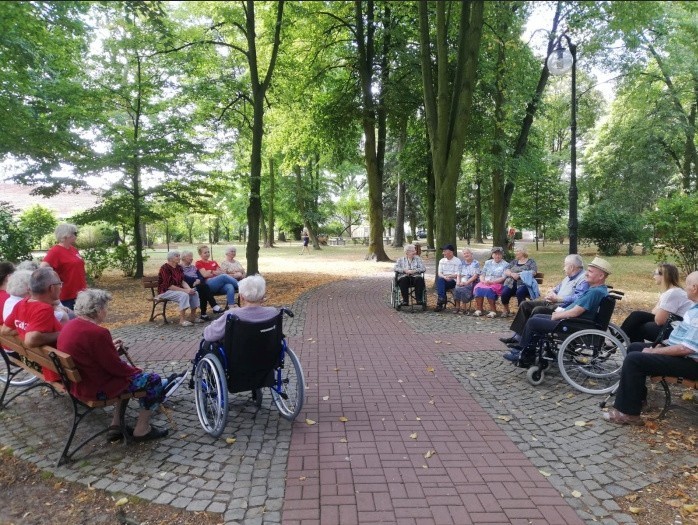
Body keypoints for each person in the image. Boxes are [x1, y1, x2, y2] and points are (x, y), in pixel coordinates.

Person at [57, 289, 183, 442]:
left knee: (130, 380)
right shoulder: (98, 333)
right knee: (152, 380)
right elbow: (115, 367)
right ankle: (142, 429)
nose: (106, 311)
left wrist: (109, 347)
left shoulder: (70, 326)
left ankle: (116, 425)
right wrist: (136, 371)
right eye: (105, 308)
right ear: (97, 310)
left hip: (80, 383)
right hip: (95, 388)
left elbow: (94, 356)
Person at [603, 271, 698, 425]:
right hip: (685, 356)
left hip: (692, 363)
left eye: (687, 284)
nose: (684, 288)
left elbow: (686, 348)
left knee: (635, 359)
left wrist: (654, 351)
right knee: (635, 347)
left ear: (694, 288)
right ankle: (638, 400)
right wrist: (664, 344)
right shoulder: (694, 308)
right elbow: (682, 340)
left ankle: (627, 414)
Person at [502, 257, 612, 367]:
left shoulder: (595, 292)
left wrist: (558, 315)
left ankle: (525, 355)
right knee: (537, 316)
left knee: (533, 322)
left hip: (572, 323)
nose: (586, 274)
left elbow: (575, 312)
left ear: (601, 276)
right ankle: (525, 349)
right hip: (573, 321)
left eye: (590, 272)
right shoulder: (596, 290)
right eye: (588, 270)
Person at [499, 254, 589, 346]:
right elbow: (557, 288)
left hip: (562, 307)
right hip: (553, 302)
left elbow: (579, 298)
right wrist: (552, 293)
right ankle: (517, 337)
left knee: (537, 310)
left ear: (572, 267)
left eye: (565, 265)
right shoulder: (569, 276)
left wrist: (558, 298)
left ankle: (528, 342)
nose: (563, 268)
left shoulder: (583, 279)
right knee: (525, 305)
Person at [1, 268, 65, 381]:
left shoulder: (21, 304)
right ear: (52, 288)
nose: (61, 287)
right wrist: (62, 333)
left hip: (41, 360)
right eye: (59, 284)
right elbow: (31, 340)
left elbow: (5, 330)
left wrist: (25, 328)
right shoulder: (44, 309)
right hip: (57, 369)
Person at [619, 263, 694, 343]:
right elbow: (654, 312)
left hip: (678, 330)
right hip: (677, 325)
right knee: (637, 318)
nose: (653, 276)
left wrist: (658, 310)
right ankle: (632, 349)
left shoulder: (672, 293)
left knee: (636, 319)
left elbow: (659, 320)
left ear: (663, 276)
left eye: (655, 273)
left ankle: (615, 341)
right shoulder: (673, 292)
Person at [203, 275, 279, 343]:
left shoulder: (232, 315)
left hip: (238, 356)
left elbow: (209, 335)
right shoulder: (273, 312)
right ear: (263, 296)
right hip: (268, 354)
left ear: (241, 297)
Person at [40, 223, 87, 310]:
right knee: (69, 320)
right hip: (67, 295)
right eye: (74, 233)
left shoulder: (73, 249)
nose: (76, 235)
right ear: (66, 235)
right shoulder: (55, 251)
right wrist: (55, 282)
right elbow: (42, 268)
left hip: (80, 292)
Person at [157, 251, 202, 327]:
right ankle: (182, 320)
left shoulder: (179, 267)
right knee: (184, 295)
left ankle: (193, 317)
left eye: (179, 255)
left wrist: (189, 289)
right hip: (165, 291)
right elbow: (169, 286)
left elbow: (182, 281)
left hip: (177, 290)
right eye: (177, 256)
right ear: (171, 258)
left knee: (194, 293)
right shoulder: (165, 268)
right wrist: (185, 291)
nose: (179, 257)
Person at [180, 250, 222, 321]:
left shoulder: (193, 267)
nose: (191, 258)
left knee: (203, 289)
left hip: (197, 285)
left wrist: (198, 280)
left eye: (192, 257)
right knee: (204, 287)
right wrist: (196, 280)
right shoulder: (180, 268)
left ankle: (204, 314)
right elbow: (183, 278)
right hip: (187, 287)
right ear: (183, 258)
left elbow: (201, 276)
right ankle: (213, 306)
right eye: (189, 257)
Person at [500, 246, 538, 317]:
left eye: (517, 251)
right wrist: (511, 274)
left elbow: (534, 272)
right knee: (504, 293)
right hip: (510, 282)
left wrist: (520, 275)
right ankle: (506, 309)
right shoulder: (514, 261)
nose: (516, 253)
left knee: (520, 292)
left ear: (523, 252)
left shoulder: (531, 261)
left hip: (524, 283)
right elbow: (506, 270)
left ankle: (521, 312)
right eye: (516, 251)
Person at [472, 247, 509, 318]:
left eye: (499, 254)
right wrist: (483, 281)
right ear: (492, 255)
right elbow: (482, 274)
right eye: (495, 254)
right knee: (478, 288)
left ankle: (493, 310)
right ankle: (479, 309)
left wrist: (492, 282)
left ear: (502, 255)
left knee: (489, 290)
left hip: (497, 283)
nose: (497, 256)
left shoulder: (506, 264)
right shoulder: (488, 262)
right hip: (486, 282)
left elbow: (503, 277)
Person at [433, 244, 461, 312]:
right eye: (443, 251)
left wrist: (449, 276)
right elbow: (439, 273)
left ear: (451, 252)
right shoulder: (442, 261)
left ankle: (440, 303)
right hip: (444, 280)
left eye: (445, 251)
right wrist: (445, 277)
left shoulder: (457, 261)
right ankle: (441, 298)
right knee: (441, 280)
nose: (443, 253)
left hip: (453, 281)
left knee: (440, 282)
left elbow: (459, 273)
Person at [453, 248, 479, 314]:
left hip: (471, 281)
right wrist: (458, 282)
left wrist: (466, 282)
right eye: (464, 253)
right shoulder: (461, 263)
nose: (466, 255)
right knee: (456, 288)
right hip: (462, 280)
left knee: (463, 288)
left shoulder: (475, 263)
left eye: (467, 253)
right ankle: (457, 306)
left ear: (471, 254)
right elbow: (458, 274)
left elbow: (475, 276)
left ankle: (463, 307)